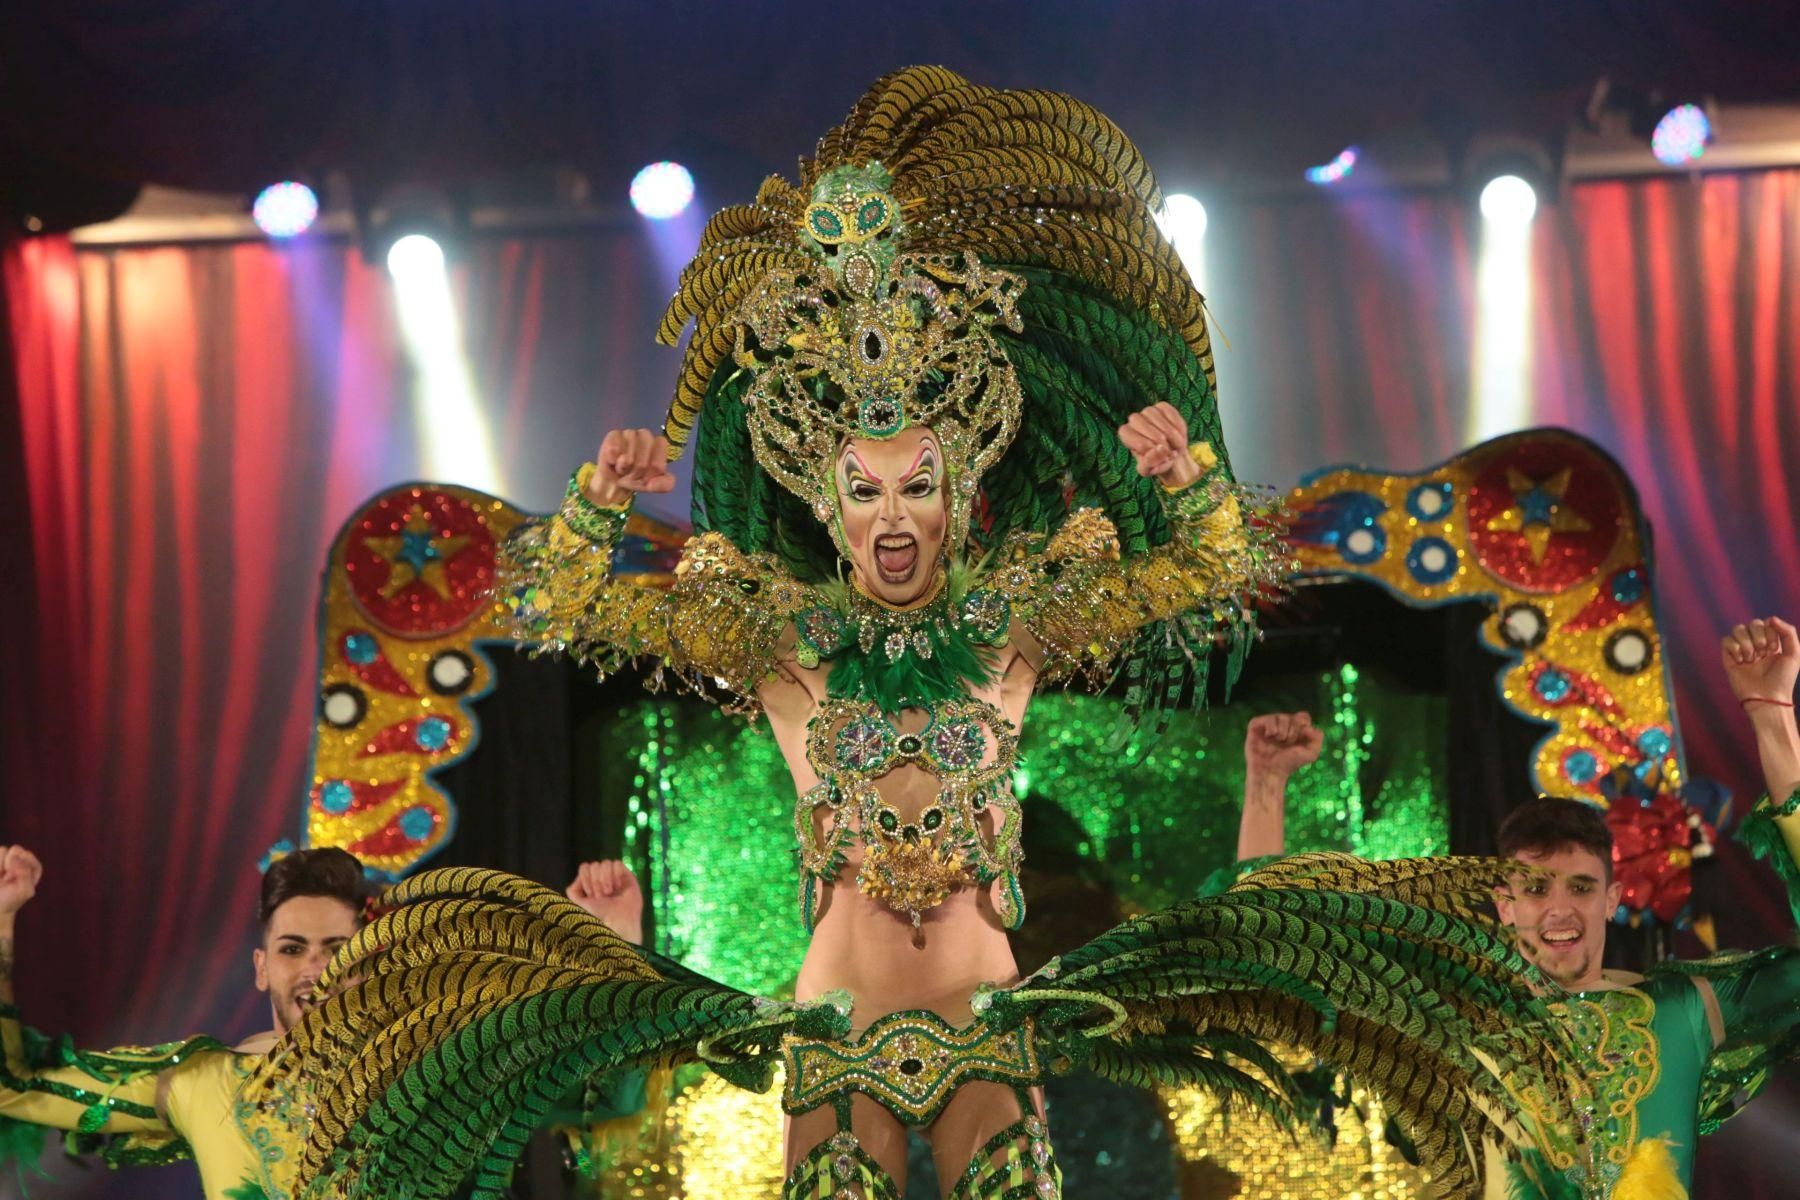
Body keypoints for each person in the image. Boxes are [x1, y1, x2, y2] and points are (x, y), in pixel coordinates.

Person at [260, 67, 1577, 1200]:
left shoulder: (1011, 626)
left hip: (989, 1023)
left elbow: (1203, 589)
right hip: (833, 1028)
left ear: (959, 495)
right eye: (868, 490)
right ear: (831, 508)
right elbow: (580, 612)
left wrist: (1185, 490)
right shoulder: (786, 643)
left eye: (918, 486)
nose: (894, 515)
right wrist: (595, 519)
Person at [0, 848, 644, 1197]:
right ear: (261, 967)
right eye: (292, 949)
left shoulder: (444, 1068)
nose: (315, 968)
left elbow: (607, 1096)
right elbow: (16, 1083)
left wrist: (615, 942)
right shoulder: (199, 1081)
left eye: (337, 949)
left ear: (372, 959)